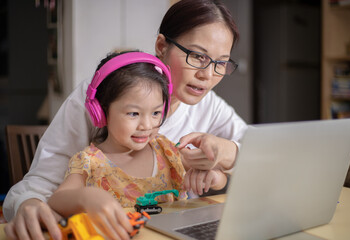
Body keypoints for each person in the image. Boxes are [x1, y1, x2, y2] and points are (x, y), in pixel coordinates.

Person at [4, 0, 247, 239]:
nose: (206, 75)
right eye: (197, 56)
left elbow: (266, 156)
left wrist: (229, 153)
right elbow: (39, 184)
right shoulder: (101, 93)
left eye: (221, 63)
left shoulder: (210, 105)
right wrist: (29, 203)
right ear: (162, 46)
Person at [46, 51, 228, 239]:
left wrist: (213, 177)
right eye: (133, 114)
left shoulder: (166, 150)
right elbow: (57, 199)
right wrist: (85, 197)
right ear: (101, 111)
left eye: (156, 113)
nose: (147, 126)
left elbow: (215, 176)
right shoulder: (88, 162)